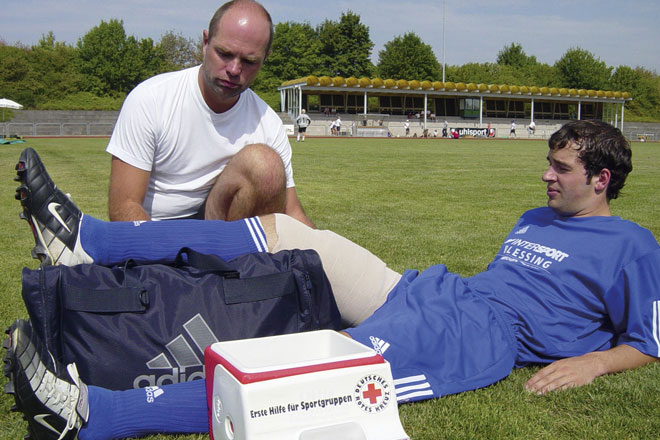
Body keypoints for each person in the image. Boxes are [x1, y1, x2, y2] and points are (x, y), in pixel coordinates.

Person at [6, 120, 660, 440]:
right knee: (293, 235)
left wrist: (597, 364)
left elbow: (649, 343)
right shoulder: (535, 217)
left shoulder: (632, 245)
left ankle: (89, 415)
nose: (547, 176)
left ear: (601, 180)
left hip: (478, 336)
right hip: (432, 287)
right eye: (548, 164)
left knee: (329, 372)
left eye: (561, 169)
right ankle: (90, 242)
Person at [105, 0, 314, 227]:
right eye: (224, 54)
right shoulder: (151, 99)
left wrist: (330, 254)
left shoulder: (267, 122)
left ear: (265, 59)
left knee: (266, 165)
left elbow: (292, 213)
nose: (234, 70)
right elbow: (123, 207)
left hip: (217, 225)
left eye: (249, 61)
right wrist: (171, 253)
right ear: (205, 43)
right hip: (155, 228)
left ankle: (232, 258)